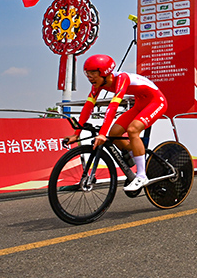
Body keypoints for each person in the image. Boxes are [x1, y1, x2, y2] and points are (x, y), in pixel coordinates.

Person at [64, 54, 168, 192]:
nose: (90, 78)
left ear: (105, 72)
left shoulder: (122, 79)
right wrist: (76, 134)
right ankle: (136, 154)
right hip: (139, 104)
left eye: (93, 73)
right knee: (114, 134)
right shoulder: (98, 84)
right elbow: (88, 107)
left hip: (156, 102)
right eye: (88, 74)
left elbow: (112, 107)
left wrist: (102, 134)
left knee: (132, 130)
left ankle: (142, 175)